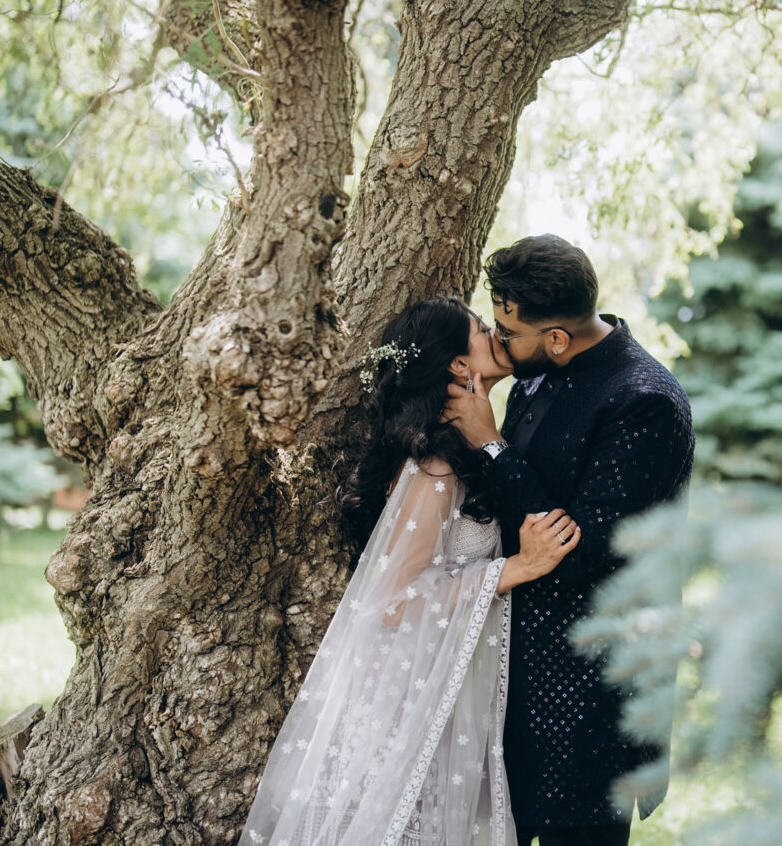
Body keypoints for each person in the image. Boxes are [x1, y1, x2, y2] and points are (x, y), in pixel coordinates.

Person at [240, 297, 581, 846]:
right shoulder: (435, 466)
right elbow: (394, 600)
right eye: (482, 328)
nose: (496, 333)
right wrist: (514, 569)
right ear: (457, 364)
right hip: (405, 696)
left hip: (442, 682)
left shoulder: (466, 451)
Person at [444, 235, 695, 846]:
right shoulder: (538, 372)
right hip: (510, 691)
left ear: (557, 337)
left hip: (589, 705)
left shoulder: (646, 403)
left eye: (509, 333)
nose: (498, 342)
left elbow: (581, 554)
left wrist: (491, 444)